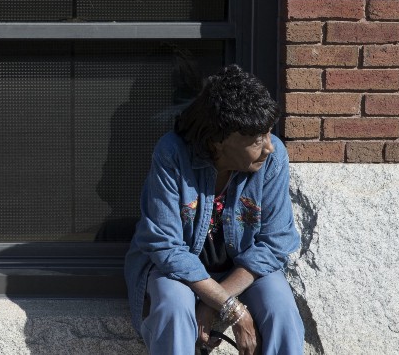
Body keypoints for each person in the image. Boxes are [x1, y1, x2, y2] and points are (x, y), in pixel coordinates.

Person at [125, 65, 304, 355]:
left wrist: (217, 303)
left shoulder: (273, 159)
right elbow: (166, 247)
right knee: (173, 306)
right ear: (219, 139)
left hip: (244, 269)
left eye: (269, 134)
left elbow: (275, 243)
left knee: (281, 310)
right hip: (176, 272)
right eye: (258, 139)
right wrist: (232, 310)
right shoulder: (172, 154)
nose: (269, 147)